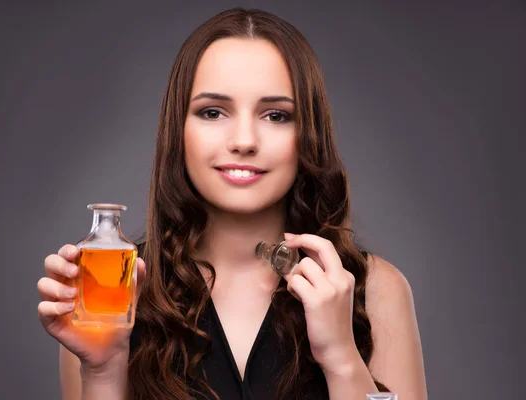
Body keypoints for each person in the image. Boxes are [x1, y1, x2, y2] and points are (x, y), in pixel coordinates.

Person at [37, 7, 428, 400]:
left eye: (276, 115)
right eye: (213, 112)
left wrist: (342, 359)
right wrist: (102, 372)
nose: (244, 140)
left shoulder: (376, 291)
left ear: (308, 132)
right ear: (179, 129)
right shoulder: (109, 293)